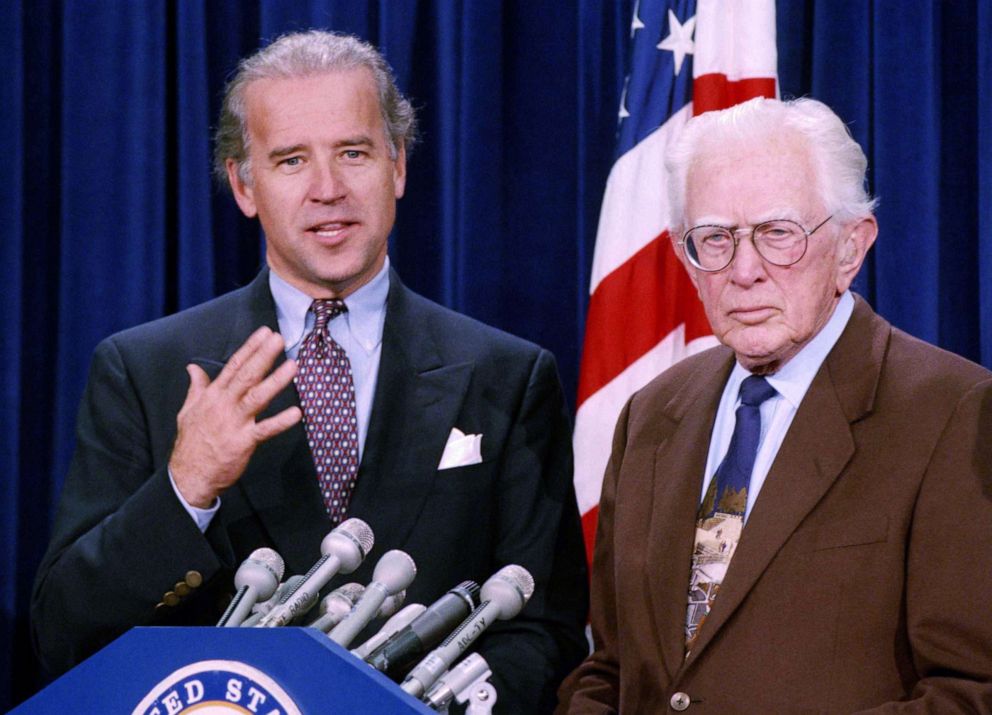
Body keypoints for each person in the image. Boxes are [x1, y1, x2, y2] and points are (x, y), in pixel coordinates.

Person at [31, 30, 588, 713]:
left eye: (353, 153)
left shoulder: (509, 376)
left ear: (398, 166)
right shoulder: (145, 371)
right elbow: (65, 632)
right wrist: (186, 489)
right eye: (291, 160)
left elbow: (546, 632)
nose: (328, 189)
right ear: (244, 184)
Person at [557, 97, 992, 712]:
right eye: (714, 239)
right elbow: (612, 669)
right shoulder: (652, 415)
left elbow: (973, 692)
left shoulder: (953, 414)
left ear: (850, 248)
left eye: (777, 234)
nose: (744, 270)